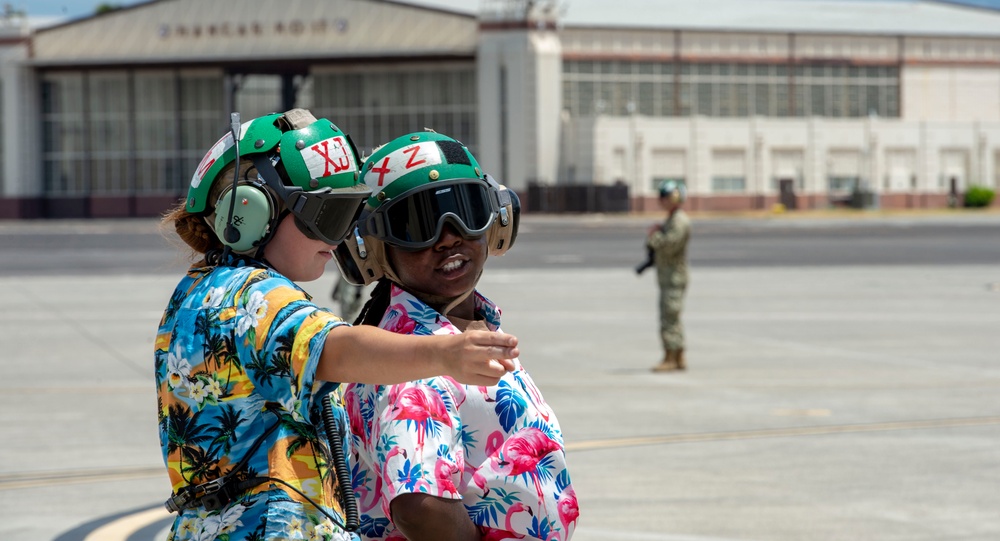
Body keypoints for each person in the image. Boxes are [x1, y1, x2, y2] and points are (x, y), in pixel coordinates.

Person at [155, 110, 520, 541]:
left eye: (348, 217)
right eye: (327, 216)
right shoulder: (251, 297)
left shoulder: (199, 291)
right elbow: (338, 350)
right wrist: (442, 353)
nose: (336, 239)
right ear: (250, 212)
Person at [333, 131, 577, 541]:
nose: (449, 236)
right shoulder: (414, 359)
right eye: (416, 224)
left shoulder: (463, 329)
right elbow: (419, 506)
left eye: (464, 209)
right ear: (373, 248)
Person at [647, 179, 692, 372]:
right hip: (669, 277)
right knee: (672, 317)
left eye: (664, 197)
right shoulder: (673, 219)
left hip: (673, 278)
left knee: (669, 318)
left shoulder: (679, 221)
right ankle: (678, 355)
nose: (661, 201)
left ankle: (671, 357)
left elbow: (669, 246)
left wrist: (654, 237)